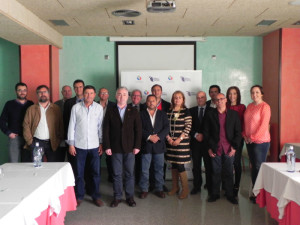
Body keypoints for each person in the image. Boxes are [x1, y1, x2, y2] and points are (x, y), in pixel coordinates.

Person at [103, 87, 142, 208]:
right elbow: (106, 130)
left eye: (124, 94)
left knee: (130, 173)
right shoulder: (110, 110)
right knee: (117, 173)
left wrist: (137, 146)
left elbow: (138, 130)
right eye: (119, 94)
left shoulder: (133, 110)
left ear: (128, 97)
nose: (121, 96)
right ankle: (117, 197)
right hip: (114, 148)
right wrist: (107, 146)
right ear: (115, 96)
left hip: (130, 148)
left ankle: (130, 197)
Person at [67, 85, 104, 207]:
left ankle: (95, 196)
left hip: (94, 145)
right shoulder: (76, 108)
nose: (89, 95)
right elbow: (71, 126)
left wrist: (101, 143)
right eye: (86, 93)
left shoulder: (99, 108)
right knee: (78, 173)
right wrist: (71, 144)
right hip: (79, 145)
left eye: (91, 93)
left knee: (95, 173)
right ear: (83, 94)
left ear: (95, 95)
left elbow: (100, 127)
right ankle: (79, 196)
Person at [204, 93, 241, 204]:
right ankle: (215, 194)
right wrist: (209, 148)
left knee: (229, 172)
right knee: (215, 172)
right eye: (217, 100)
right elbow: (206, 133)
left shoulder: (234, 115)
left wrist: (234, 147)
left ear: (225, 100)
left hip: (229, 148)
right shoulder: (210, 114)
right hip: (216, 148)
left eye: (221, 99)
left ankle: (230, 195)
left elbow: (238, 133)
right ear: (214, 102)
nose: (219, 101)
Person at [243, 85, 271, 203]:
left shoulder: (265, 107)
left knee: (258, 167)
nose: (254, 94)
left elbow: (264, 126)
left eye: (257, 92)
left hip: (260, 142)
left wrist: (252, 138)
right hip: (249, 141)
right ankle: (256, 192)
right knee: (253, 167)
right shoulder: (249, 106)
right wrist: (245, 135)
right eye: (252, 92)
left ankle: (260, 195)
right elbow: (245, 123)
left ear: (261, 94)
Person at [139, 95, 169, 199]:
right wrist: (149, 137)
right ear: (146, 102)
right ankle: (144, 189)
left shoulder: (162, 114)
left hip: (159, 145)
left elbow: (166, 128)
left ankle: (159, 189)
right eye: (149, 101)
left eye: (153, 101)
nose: (151, 103)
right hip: (146, 145)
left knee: (159, 169)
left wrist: (159, 137)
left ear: (157, 102)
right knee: (144, 169)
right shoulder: (141, 114)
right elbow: (139, 129)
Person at [23, 85, 63, 162]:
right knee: (37, 167)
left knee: (52, 168)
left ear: (48, 94)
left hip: (52, 143)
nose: (42, 94)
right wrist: (30, 142)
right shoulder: (31, 109)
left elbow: (60, 126)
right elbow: (26, 126)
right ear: (37, 95)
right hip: (36, 143)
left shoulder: (56, 108)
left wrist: (58, 141)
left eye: (45, 92)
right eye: (40, 92)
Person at [166, 90, 192, 199]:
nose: (177, 99)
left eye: (179, 97)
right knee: (174, 165)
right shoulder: (168, 111)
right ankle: (175, 187)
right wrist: (169, 139)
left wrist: (179, 139)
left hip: (182, 143)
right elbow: (164, 126)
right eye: (175, 97)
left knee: (180, 165)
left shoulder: (186, 111)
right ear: (173, 99)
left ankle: (185, 189)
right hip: (170, 143)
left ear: (183, 99)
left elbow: (188, 127)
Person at [0, 82, 34, 162]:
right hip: (15, 138)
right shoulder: (9, 104)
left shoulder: (31, 104)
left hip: (28, 138)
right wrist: (8, 133)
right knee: (13, 162)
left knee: (27, 163)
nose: (22, 92)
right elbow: (2, 121)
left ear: (27, 91)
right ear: (16, 91)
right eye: (20, 90)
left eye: (24, 90)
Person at [189, 91, 213, 196]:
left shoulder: (212, 110)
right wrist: (195, 135)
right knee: (196, 166)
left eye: (202, 97)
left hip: (208, 143)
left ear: (205, 98)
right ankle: (196, 186)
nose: (200, 99)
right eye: (198, 97)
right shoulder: (191, 110)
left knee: (208, 165)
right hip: (195, 143)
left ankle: (209, 185)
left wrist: (204, 135)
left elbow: (214, 127)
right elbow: (188, 127)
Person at [226, 86, 246, 197]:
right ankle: (227, 185)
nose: (232, 96)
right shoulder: (226, 106)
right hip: (226, 139)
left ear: (238, 95)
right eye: (230, 93)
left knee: (236, 162)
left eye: (234, 93)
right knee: (227, 163)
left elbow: (244, 123)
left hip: (237, 139)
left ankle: (236, 186)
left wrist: (239, 139)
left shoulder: (242, 107)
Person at [151, 84, 171, 192]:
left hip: (163, 139)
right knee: (150, 164)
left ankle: (161, 184)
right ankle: (151, 184)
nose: (156, 92)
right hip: (150, 139)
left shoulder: (168, 105)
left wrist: (161, 136)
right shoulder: (146, 105)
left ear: (161, 92)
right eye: (154, 90)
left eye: (158, 90)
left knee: (161, 163)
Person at [98, 87, 116, 182]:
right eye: (101, 93)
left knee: (110, 158)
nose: (103, 95)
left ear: (108, 95)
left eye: (105, 93)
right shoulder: (94, 104)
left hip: (110, 135)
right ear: (98, 95)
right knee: (97, 158)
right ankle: (97, 177)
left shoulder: (114, 105)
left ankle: (111, 176)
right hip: (97, 136)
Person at [128, 89, 145, 184]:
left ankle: (139, 181)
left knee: (141, 162)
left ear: (141, 98)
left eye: (138, 96)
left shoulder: (145, 107)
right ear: (131, 97)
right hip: (130, 140)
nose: (135, 97)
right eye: (134, 95)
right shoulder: (126, 107)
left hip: (144, 139)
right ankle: (131, 181)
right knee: (130, 163)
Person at [54, 85, 72, 162]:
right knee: (59, 159)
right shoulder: (56, 104)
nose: (67, 93)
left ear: (71, 92)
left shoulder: (75, 103)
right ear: (62, 92)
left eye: (69, 91)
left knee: (71, 159)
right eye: (65, 91)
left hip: (71, 136)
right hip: (59, 136)